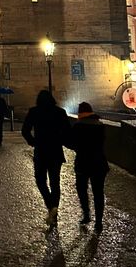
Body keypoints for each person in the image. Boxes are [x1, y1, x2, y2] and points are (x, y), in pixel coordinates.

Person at [21, 90, 71, 227]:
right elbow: (67, 131)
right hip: (55, 151)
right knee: (55, 182)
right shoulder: (60, 112)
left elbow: (25, 130)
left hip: (41, 150)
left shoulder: (34, 112)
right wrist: (61, 140)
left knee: (40, 180)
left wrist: (33, 142)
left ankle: (50, 206)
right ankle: (54, 209)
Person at [68, 102, 109, 233]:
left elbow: (72, 143)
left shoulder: (78, 126)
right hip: (99, 162)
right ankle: (98, 222)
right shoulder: (100, 125)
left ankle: (86, 214)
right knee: (98, 193)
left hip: (83, 162)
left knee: (82, 189)